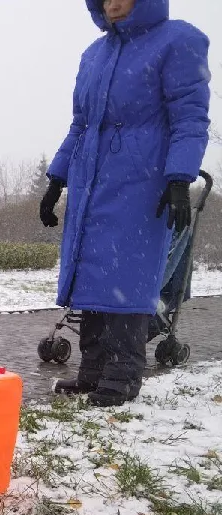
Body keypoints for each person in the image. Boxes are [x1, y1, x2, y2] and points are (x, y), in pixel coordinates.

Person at [40, 0, 210, 407]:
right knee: (92, 278)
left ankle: (121, 378)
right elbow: (81, 125)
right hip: (91, 182)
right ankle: (92, 372)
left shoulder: (177, 41)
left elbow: (190, 118)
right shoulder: (94, 55)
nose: (112, 4)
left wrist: (179, 177)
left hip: (142, 181)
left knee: (126, 279)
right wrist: (57, 179)